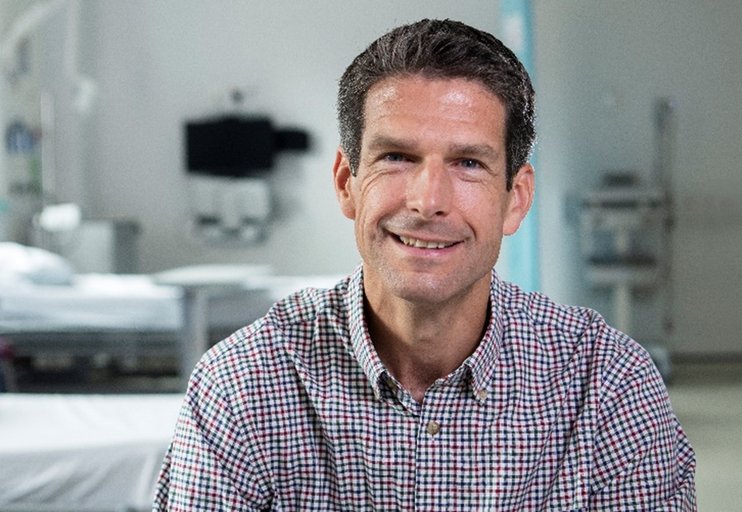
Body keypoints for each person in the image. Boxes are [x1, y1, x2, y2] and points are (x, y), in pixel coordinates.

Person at [154, 19, 696, 511]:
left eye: (467, 163)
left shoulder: (607, 386)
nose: (427, 200)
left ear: (516, 198)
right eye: (396, 157)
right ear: (347, 183)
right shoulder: (244, 386)